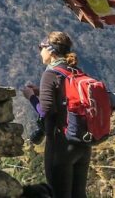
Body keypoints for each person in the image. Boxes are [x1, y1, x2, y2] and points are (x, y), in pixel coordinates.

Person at [26, 31, 91, 198]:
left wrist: (31, 97)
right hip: (82, 143)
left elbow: (46, 111)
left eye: (41, 47)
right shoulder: (75, 71)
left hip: (60, 144)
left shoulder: (50, 74)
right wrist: (43, 92)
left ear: (51, 50)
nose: (39, 51)